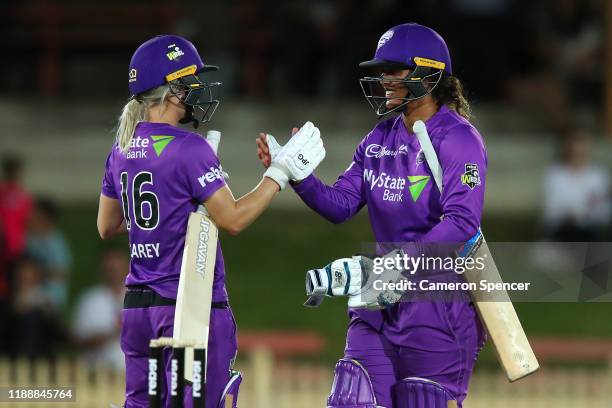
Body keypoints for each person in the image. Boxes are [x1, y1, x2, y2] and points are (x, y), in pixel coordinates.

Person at [257, 23, 486, 407]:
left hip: (437, 307)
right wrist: (296, 175)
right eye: (382, 70)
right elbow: (341, 205)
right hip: (378, 297)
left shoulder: (459, 138)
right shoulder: (379, 139)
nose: (383, 79)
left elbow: (462, 224)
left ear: (428, 73)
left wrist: (396, 265)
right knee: (353, 399)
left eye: (394, 70)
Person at [96, 34, 324, 408]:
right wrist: (279, 175)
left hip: (138, 308)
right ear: (171, 90)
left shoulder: (121, 148)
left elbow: (107, 225)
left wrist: (168, 217)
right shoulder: (190, 148)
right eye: (191, 80)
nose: (198, 89)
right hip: (189, 305)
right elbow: (233, 219)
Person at [542, 130, 610, 241]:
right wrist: (568, 216)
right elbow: (551, 209)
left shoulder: (598, 176)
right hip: (561, 230)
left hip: (590, 231)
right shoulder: (554, 175)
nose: (576, 151)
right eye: (573, 146)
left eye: (580, 145)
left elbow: (603, 210)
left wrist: (582, 216)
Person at [72, 248, 128, 372]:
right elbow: (78, 341)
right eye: (110, 269)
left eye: (117, 268)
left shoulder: (140, 297)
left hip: (135, 374)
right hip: (98, 372)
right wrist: (113, 332)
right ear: (102, 270)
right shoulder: (89, 300)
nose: (114, 272)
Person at [26, 197, 72, 312]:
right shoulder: (29, 239)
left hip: (50, 293)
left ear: (46, 219)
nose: (30, 218)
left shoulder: (56, 243)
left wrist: (38, 274)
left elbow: (62, 272)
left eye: (36, 215)